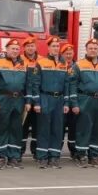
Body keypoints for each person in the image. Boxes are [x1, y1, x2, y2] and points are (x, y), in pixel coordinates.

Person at [71, 38, 98, 167]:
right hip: (85, 99)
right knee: (83, 128)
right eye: (91, 48)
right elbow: (72, 85)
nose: (93, 50)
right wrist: (74, 104)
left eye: (95, 48)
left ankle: (94, 156)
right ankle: (81, 155)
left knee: (97, 130)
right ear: (86, 49)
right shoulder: (78, 65)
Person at [0, 39, 31, 169]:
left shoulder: (24, 64)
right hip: (3, 99)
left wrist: (28, 101)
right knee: (2, 128)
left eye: (16, 49)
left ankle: (13, 157)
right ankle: (1, 156)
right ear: (6, 50)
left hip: (19, 100)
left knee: (16, 129)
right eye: (12, 48)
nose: (15, 51)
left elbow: (28, 85)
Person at [33, 36, 71, 169]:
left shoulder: (64, 64)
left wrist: (66, 103)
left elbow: (67, 85)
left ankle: (54, 157)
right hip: (45, 97)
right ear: (48, 48)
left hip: (59, 100)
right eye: (53, 46)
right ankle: (42, 157)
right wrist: (37, 102)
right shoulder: (41, 63)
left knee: (57, 129)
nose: (56, 48)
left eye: (57, 46)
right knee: (44, 128)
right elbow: (35, 84)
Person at [21, 37, 40, 158]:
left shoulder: (41, 61)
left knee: (37, 126)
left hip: (38, 99)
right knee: (23, 126)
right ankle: (20, 151)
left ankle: (36, 151)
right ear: (24, 48)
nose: (30, 48)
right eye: (28, 46)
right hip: (24, 99)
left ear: (36, 47)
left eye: (32, 46)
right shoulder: (20, 60)